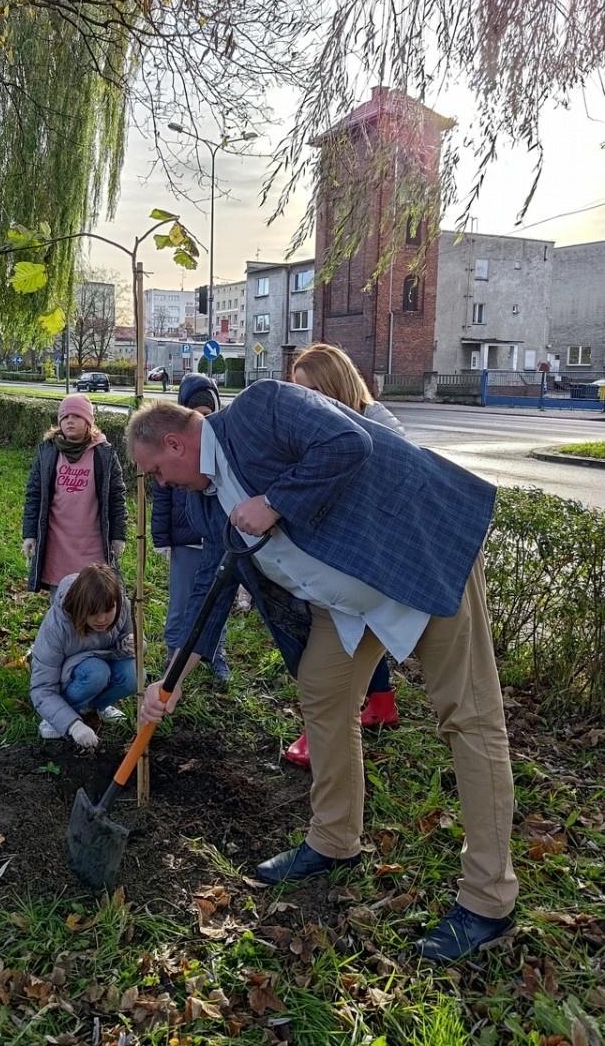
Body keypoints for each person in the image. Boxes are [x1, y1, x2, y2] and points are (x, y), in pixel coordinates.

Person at [127, 383, 517, 964]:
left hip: (417, 555)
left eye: (156, 471)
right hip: (347, 602)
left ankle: (489, 899)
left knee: (469, 717)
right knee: (323, 691)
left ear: (175, 443)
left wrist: (274, 501)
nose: (160, 484)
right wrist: (172, 680)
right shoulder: (203, 501)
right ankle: (335, 838)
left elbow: (348, 442)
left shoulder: (261, 409)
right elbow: (215, 583)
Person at [283, 343, 404, 767]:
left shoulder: (377, 424)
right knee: (335, 653)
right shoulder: (316, 427)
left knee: (341, 653)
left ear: (336, 384)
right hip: (333, 560)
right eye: (300, 391)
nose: (307, 400)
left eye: (313, 390)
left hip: (368, 561)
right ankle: (352, 715)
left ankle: (330, 729)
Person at [151, 374, 231, 686]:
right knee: (182, 600)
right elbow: (162, 498)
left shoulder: (224, 448)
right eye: (195, 414)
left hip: (217, 540)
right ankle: (175, 652)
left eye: (207, 414)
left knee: (215, 599)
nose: (202, 422)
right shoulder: (171, 454)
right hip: (185, 542)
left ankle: (216, 652)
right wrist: (162, 538)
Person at [22, 394, 127, 596]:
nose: (69, 421)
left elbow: (116, 497)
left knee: (94, 599)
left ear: (88, 422)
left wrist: (118, 535)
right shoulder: (48, 452)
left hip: (92, 546)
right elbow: (34, 494)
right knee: (61, 601)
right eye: (65, 417)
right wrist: (30, 534)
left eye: (77, 416)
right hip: (57, 546)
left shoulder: (103, 454)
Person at [30, 563, 137, 745]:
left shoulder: (121, 605)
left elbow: (130, 638)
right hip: (69, 676)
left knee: (134, 676)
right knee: (96, 672)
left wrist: (134, 644)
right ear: (79, 606)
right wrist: (73, 726)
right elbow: (42, 688)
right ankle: (59, 717)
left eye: (108, 610)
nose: (102, 619)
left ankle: (95, 706)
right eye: (93, 612)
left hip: (102, 660)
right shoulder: (57, 626)